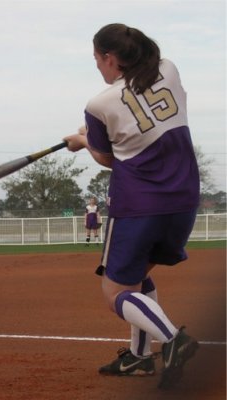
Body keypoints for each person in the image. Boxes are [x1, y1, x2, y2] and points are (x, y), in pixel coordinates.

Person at [64, 23, 200, 389]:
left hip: (138, 204)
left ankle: (174, 340)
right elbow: (138, 111)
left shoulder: (99, 104)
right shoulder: (167, 68)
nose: (97, 67)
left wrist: (82, 140)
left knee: (115, 291)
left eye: (97, 59)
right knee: (137, 276)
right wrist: (93, 132)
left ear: (110, 58)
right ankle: (139, 358)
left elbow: (108, 158)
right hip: (184, 200)